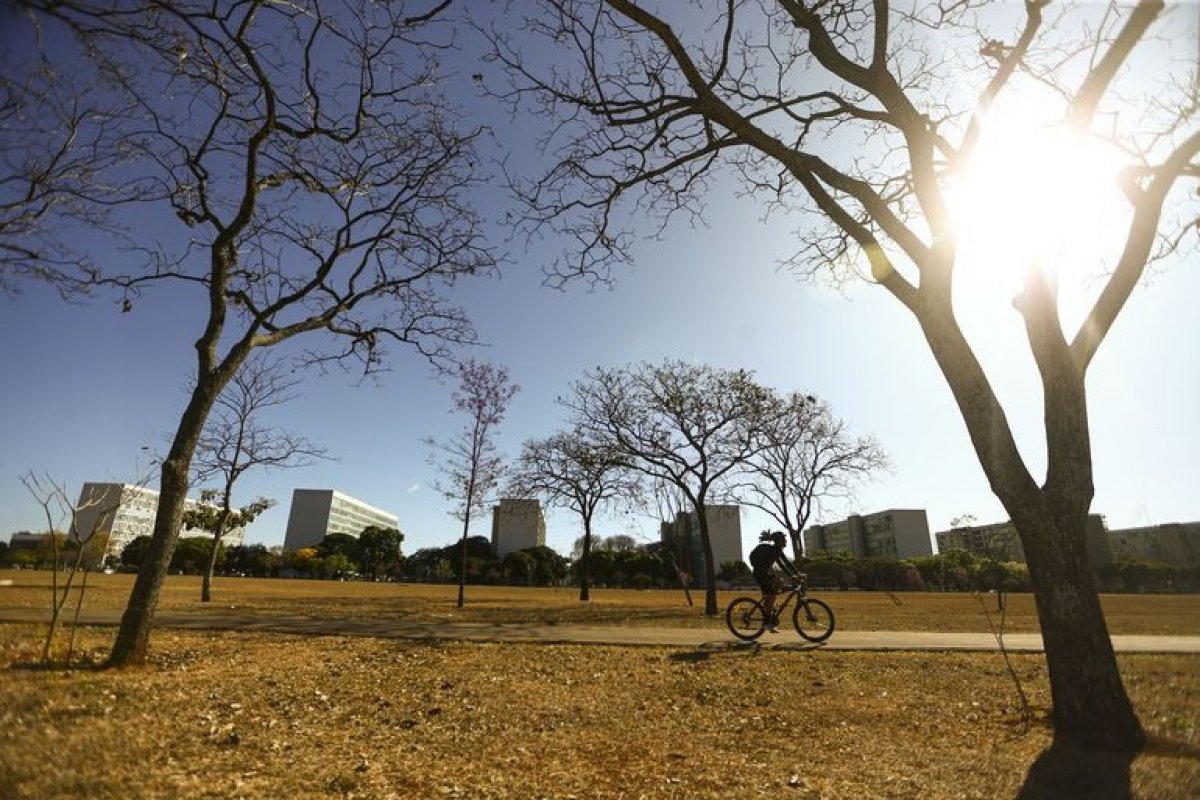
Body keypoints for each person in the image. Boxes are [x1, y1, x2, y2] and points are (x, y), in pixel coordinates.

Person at [748, 530, 801, 632]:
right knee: (771, 596)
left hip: (766, 572)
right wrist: (793, 576)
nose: (786, 541)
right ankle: (766, 622)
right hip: (760, 574)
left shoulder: (776, 550)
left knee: (780, 583)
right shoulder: (774, 550)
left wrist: (796, 574)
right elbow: (784, 565)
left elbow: (785, 564)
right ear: (779, 541)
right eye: (784, 539)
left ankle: (768, 609)